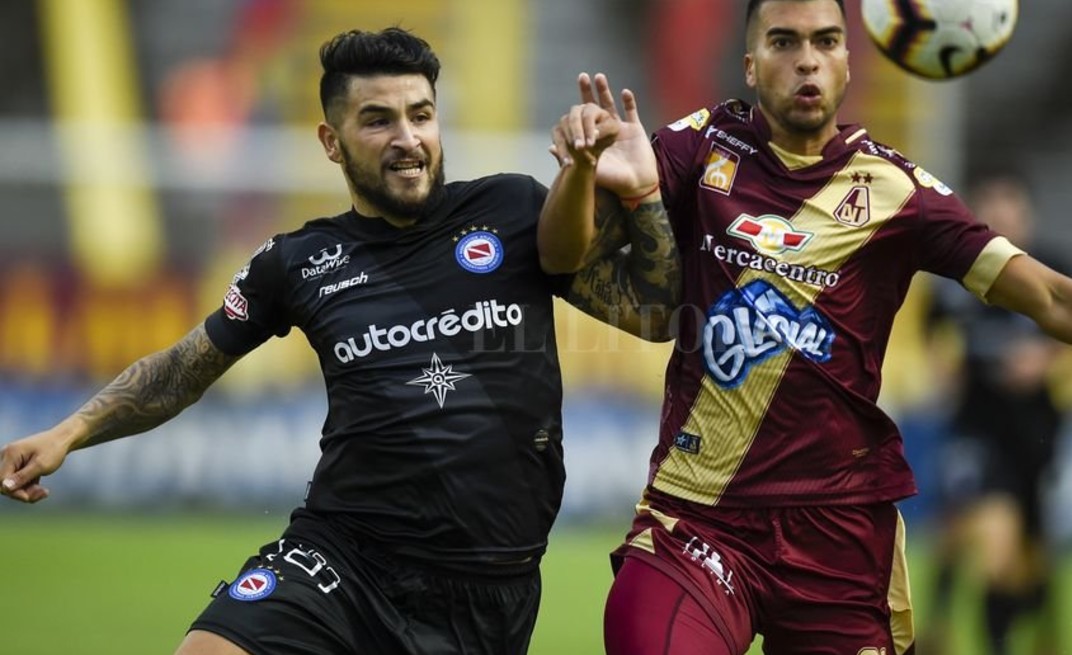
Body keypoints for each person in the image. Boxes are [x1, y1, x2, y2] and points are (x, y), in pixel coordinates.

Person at [562, 2, 1072, 654]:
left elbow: (1049, 297)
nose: (807, 59)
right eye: (784, 41)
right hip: (698, 520)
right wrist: (582, 177)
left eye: (825, 40)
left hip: (837, 539)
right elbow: (568, 259)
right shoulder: (698, 149)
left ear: (849, 61)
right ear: (750, 63)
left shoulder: (898, 192)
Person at [0, 28, 675, 655]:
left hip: (487, 594)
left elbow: (655, 315)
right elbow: (183, 370)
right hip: (341, 558)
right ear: (331, 140)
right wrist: (68, 432)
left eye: (420, 115)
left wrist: (642, 195)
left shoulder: (516, 211)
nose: (407, 138)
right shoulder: (296, 262)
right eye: (378, 120)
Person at [923, 176, 1072, 655]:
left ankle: (1043, 628)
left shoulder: (1053, 269)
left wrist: (1044, 359)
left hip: (1035, 428)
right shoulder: (959, 275)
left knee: (1031, 550)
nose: (1003, 217)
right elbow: (932, 328)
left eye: (1011, 208)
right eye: (992, 208)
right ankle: (946, 628)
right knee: (981, 541)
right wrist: (943, 369)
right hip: (975, 426)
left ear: (1029, 216)